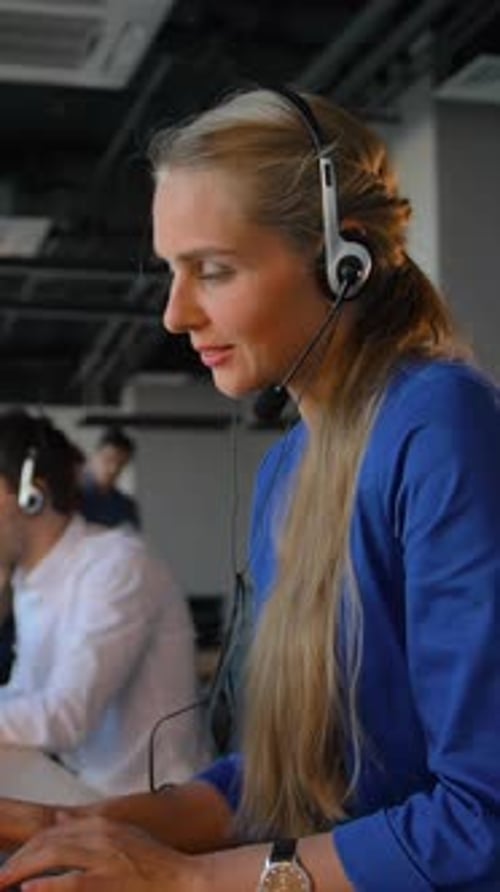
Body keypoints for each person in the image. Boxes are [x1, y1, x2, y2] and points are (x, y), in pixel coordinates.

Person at [0, 86, 499, 891]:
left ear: (345, 263)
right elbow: (281, 782)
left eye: (214, 270)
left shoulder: (441, 426)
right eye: (172, 271)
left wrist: (188, 881)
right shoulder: (288, 469)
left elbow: (484, 820)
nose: (173, 313)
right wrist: (77, 826)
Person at [0, 409, 206, 797]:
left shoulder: (116, 566)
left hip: (151, 811)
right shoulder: (33, 578)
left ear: (31, 496)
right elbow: (24, 695)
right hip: (82, 794)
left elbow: (66, 716)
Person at [80, 426, 141, 530]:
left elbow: (132, 541)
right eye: (108, 460)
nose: (113, 469)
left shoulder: (126, 507)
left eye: (121, 464)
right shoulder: (70, 495)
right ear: (94, 457)